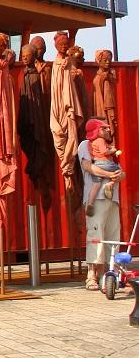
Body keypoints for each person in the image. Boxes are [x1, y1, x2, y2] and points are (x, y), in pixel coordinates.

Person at [78, 123, 124, 291]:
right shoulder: (85, 144)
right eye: (105, 128)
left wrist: (118, 176)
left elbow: (121, 171)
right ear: (97, 130)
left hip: (113, 198)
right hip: (96, 198)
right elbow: (87, 166)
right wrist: (109, 174)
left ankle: (110, 274)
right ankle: (91, 275)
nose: (108, 130)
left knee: (113, 235)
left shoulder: (111, 148)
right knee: (96, 233)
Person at [84, 119, 121, 217]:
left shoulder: (90, 142)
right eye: (103, 128)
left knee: (96, 185)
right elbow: (104, 152)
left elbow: (96, 153)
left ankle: (90, 204)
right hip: (105, 163)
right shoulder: (100, 140)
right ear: (97, 131)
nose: (107, 130)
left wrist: (108, 147)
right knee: (118, 171)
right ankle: (110, 184)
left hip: (96, 163)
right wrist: (112, 150)